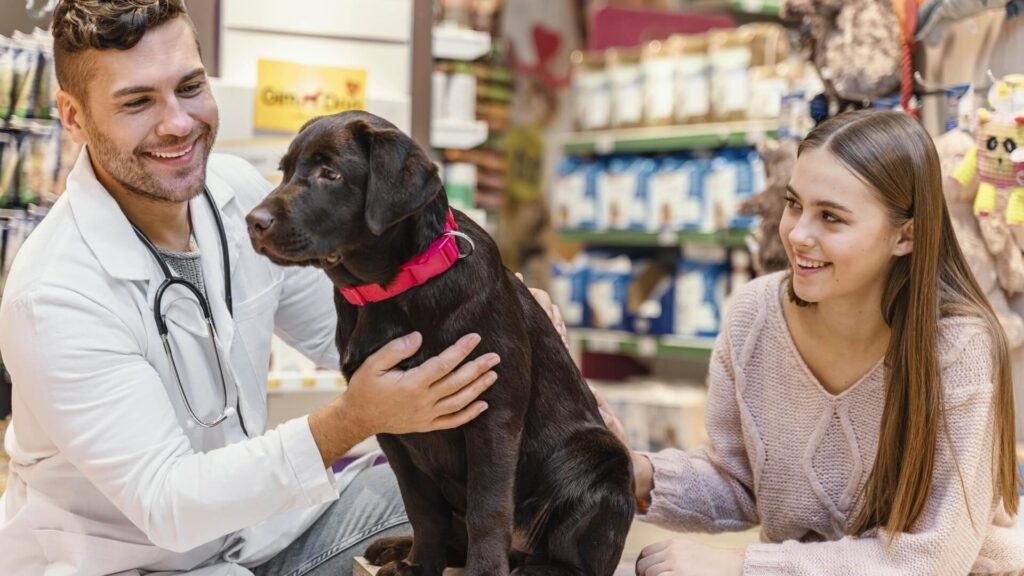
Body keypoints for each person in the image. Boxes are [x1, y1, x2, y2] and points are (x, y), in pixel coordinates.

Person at [0, 1, 566, 575]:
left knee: (491, 498)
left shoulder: (235, 195)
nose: (177, 122)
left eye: (190, 86)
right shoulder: (53, 294)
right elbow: (166, 504)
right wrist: (350, 420)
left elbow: (357, 337)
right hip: (132, 563)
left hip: (258, 536)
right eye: (138, 101)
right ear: (72, 117)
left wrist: (512, 328)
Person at [594, 109, 1024, 576]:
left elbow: (932, 556)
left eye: (831, 217)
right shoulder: (754, 315)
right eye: (794, 204)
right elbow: (739, 485)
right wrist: (635, 472)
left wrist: (743, 566)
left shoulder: (959, 349)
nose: (798, 234)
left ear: (906, 235)